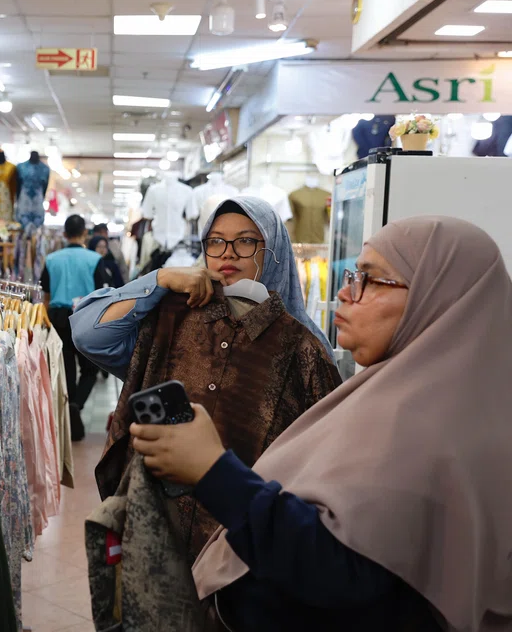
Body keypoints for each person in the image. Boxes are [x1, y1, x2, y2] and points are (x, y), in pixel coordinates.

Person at [130, 216, 512, 631]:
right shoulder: (391, 393)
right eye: (352, 275)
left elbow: (344, 574)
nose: (345, 294)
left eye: (371, 279)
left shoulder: (436, 426)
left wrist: (214, 472)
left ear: (438, 297)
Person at [71, 197, 340, 560]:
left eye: (246, 241)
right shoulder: (172, 319)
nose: (228, 253)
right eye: (215, 241)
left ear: (273, 250)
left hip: (243, 543)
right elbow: (89, 333)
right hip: (158, 527)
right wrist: (161, 279)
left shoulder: (303, 349)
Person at [40, 214, 107, 440]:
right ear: (84, 234)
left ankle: (69, 409)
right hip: (85, 314)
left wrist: (46, 321)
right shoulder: (94, 259)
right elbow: (101, 294)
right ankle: (77, 404)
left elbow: (46, 295)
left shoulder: (51, 259)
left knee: (66, 364)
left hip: (58, 316)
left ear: (65, 234)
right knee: (90, 367)